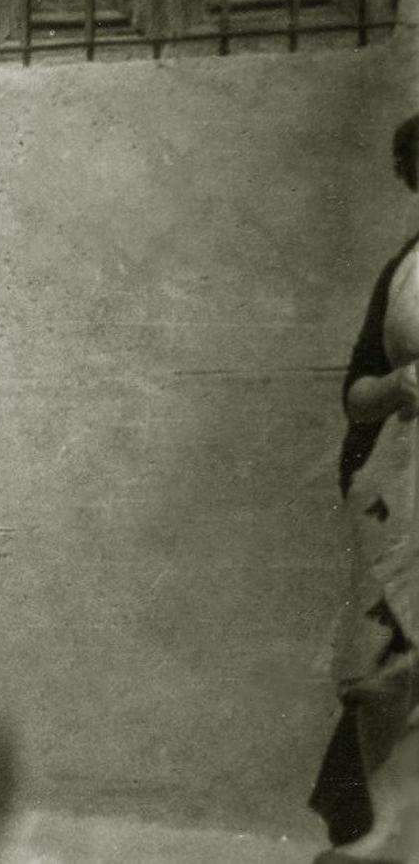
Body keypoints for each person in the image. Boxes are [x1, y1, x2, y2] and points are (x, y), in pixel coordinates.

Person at [310, 113, 419, 863]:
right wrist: (401, 383)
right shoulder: (404, 271)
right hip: (407, 488)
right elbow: (354, 393)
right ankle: (369, 833)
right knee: (383, 659)